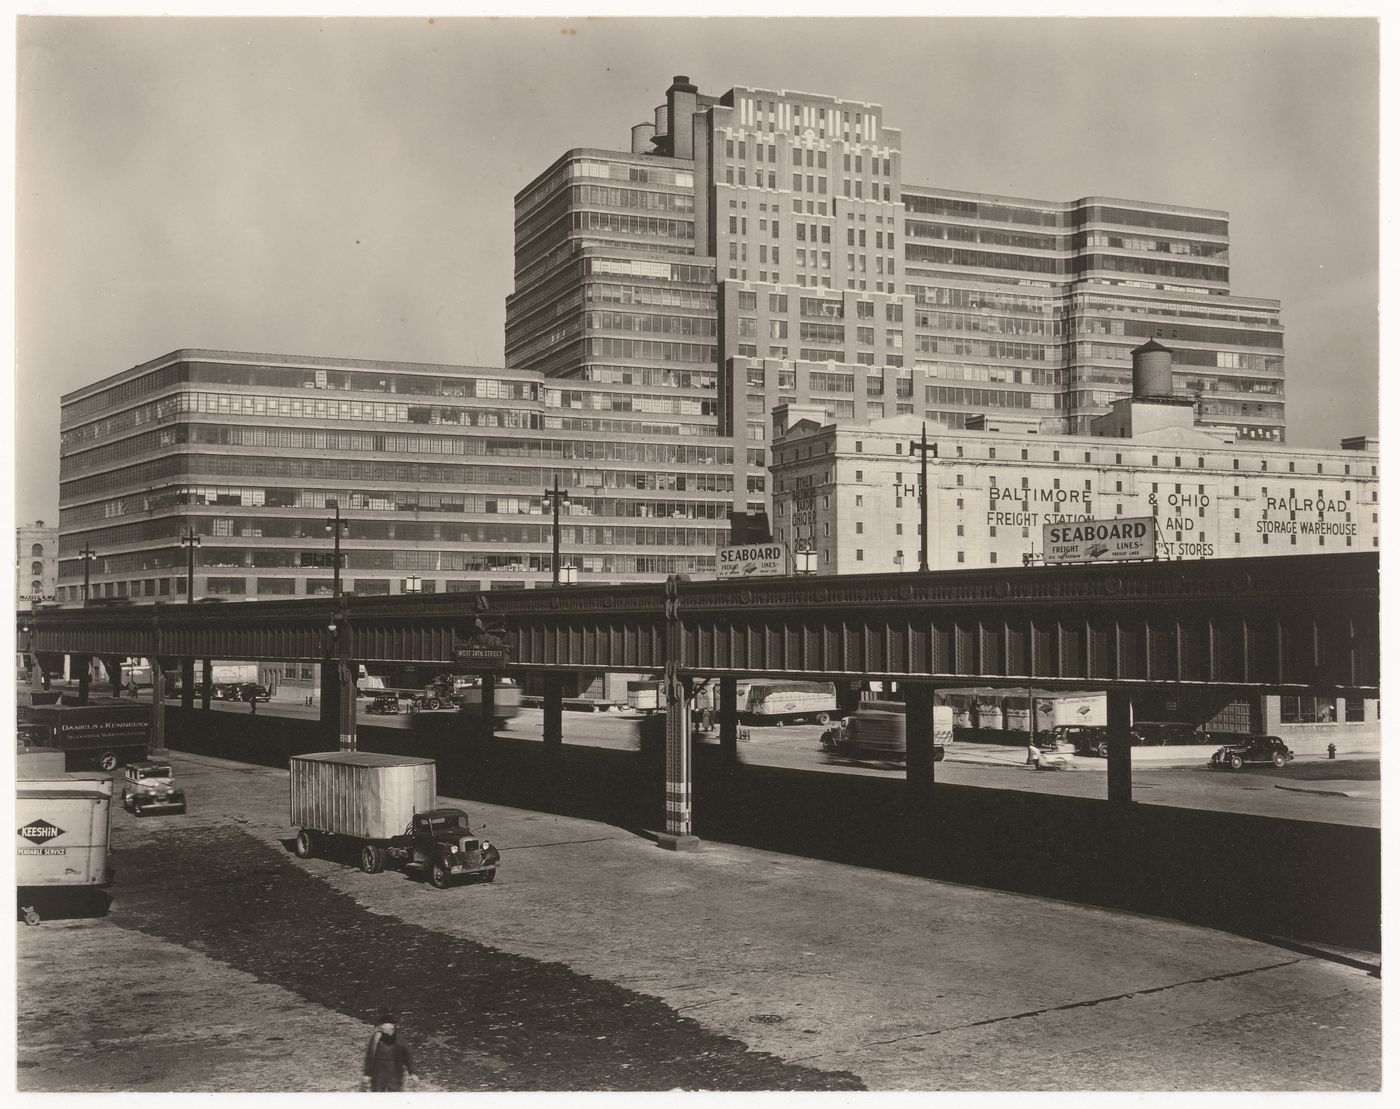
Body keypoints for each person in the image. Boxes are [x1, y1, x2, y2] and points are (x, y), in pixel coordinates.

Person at [361, 1011, 415, 1092]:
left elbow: (408, 1056)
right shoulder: (376, 1038)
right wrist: (367, 1074)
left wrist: (412, 1072)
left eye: (383, 1026)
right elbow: (370, 1056)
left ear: (392, 1027)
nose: (381, 1028)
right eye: (381, 1026)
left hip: (395, 1075)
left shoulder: (400, 1040)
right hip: (378, 1075)